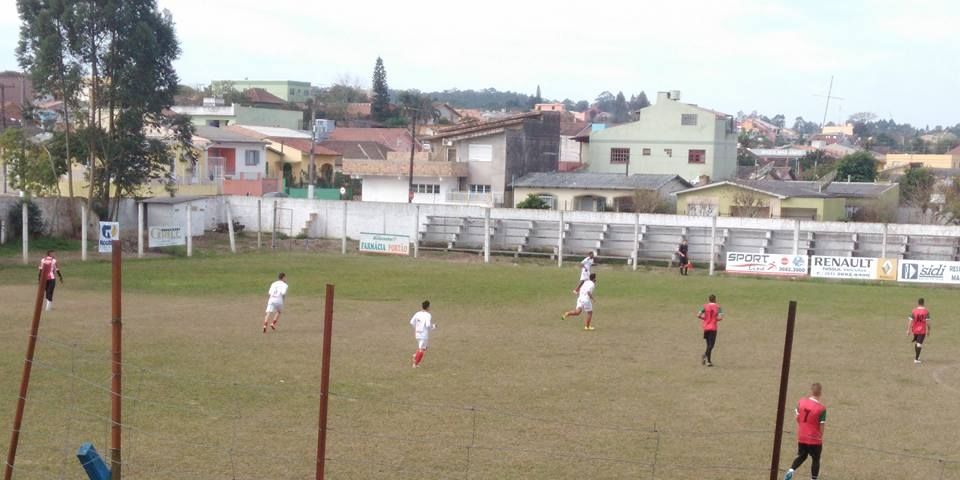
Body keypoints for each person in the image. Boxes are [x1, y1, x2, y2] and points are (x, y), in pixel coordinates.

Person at [784, 383, 827, 480]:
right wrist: (820, 436)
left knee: (802, 455)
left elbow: (797, 416)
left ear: (811, 391)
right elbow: (822, 424)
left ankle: (791, 470)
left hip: (802, 436)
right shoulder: (821, 408)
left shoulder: (801, 402)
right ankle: (814, 478)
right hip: (814, 438)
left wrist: (803, 426)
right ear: (820, 393)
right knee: (815, 459)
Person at [697, 294, 723, 366]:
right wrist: (715, 320)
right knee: (711, 345)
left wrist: (705, 319)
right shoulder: (718, 307)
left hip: (706, 327)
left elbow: (698, 315)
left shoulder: (705, 306)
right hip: (713, 328)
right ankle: (704, 355)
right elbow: (720, 318)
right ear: (715, 299)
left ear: (709, 299)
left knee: (708, 345)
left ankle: (708, 362)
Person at [410, 300, 436, 368]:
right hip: (424, 335)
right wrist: (433, 326)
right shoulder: (428, 315)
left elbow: (411, 322)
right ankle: (415, 364)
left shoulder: (417, 313)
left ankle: (416, 355)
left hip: (417, 334)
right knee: (421, 350)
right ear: (427, 307)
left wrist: (417, 328)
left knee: (424, 347)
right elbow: (428, 325)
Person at [907, 298, 931, 364]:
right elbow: (928, 322)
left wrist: (908, 330)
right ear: (923, 303)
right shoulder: (926, 311)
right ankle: (916, 359)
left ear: (918, 303)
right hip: (922, 331)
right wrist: (929, 330)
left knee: (917, 343)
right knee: (919, 344)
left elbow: (910, 321)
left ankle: (918, 356)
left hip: (915, 330)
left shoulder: (914, 311)